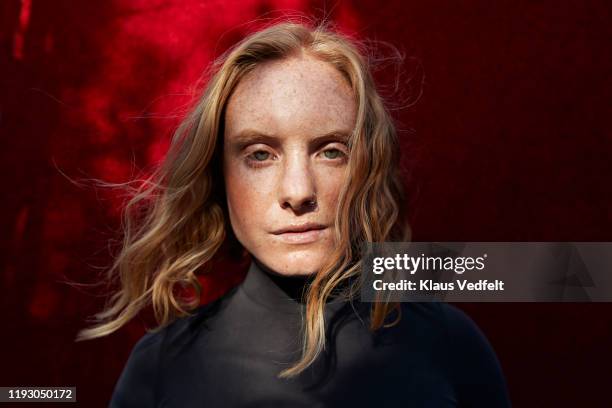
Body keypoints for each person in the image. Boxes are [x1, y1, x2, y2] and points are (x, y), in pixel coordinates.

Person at [77, 20, 511, 407]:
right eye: (260, 154)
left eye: (331, 152)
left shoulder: (449, 344)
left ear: (369, 167)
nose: (298, 191)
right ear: (217, 174)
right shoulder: (160, 367)